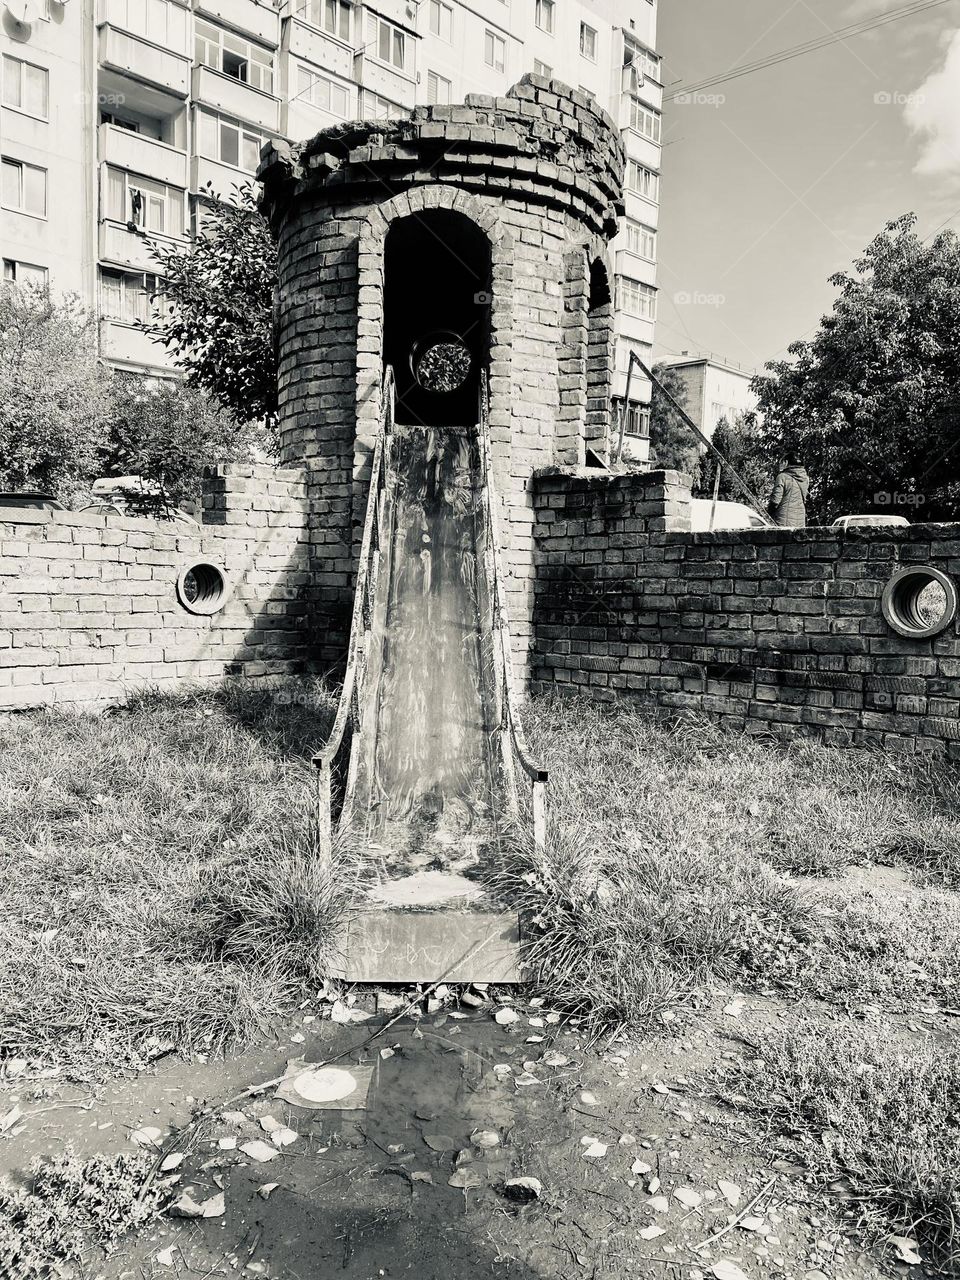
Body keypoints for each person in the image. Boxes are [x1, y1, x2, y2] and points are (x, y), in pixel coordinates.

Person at [768, 453, 810, 527]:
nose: (780, 465)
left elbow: (775, 500)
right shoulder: (805, 479)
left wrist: (769, 513)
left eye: (781, 462)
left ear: (786, 462)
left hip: (783, 521)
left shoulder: (782, 477)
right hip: (800, 521)